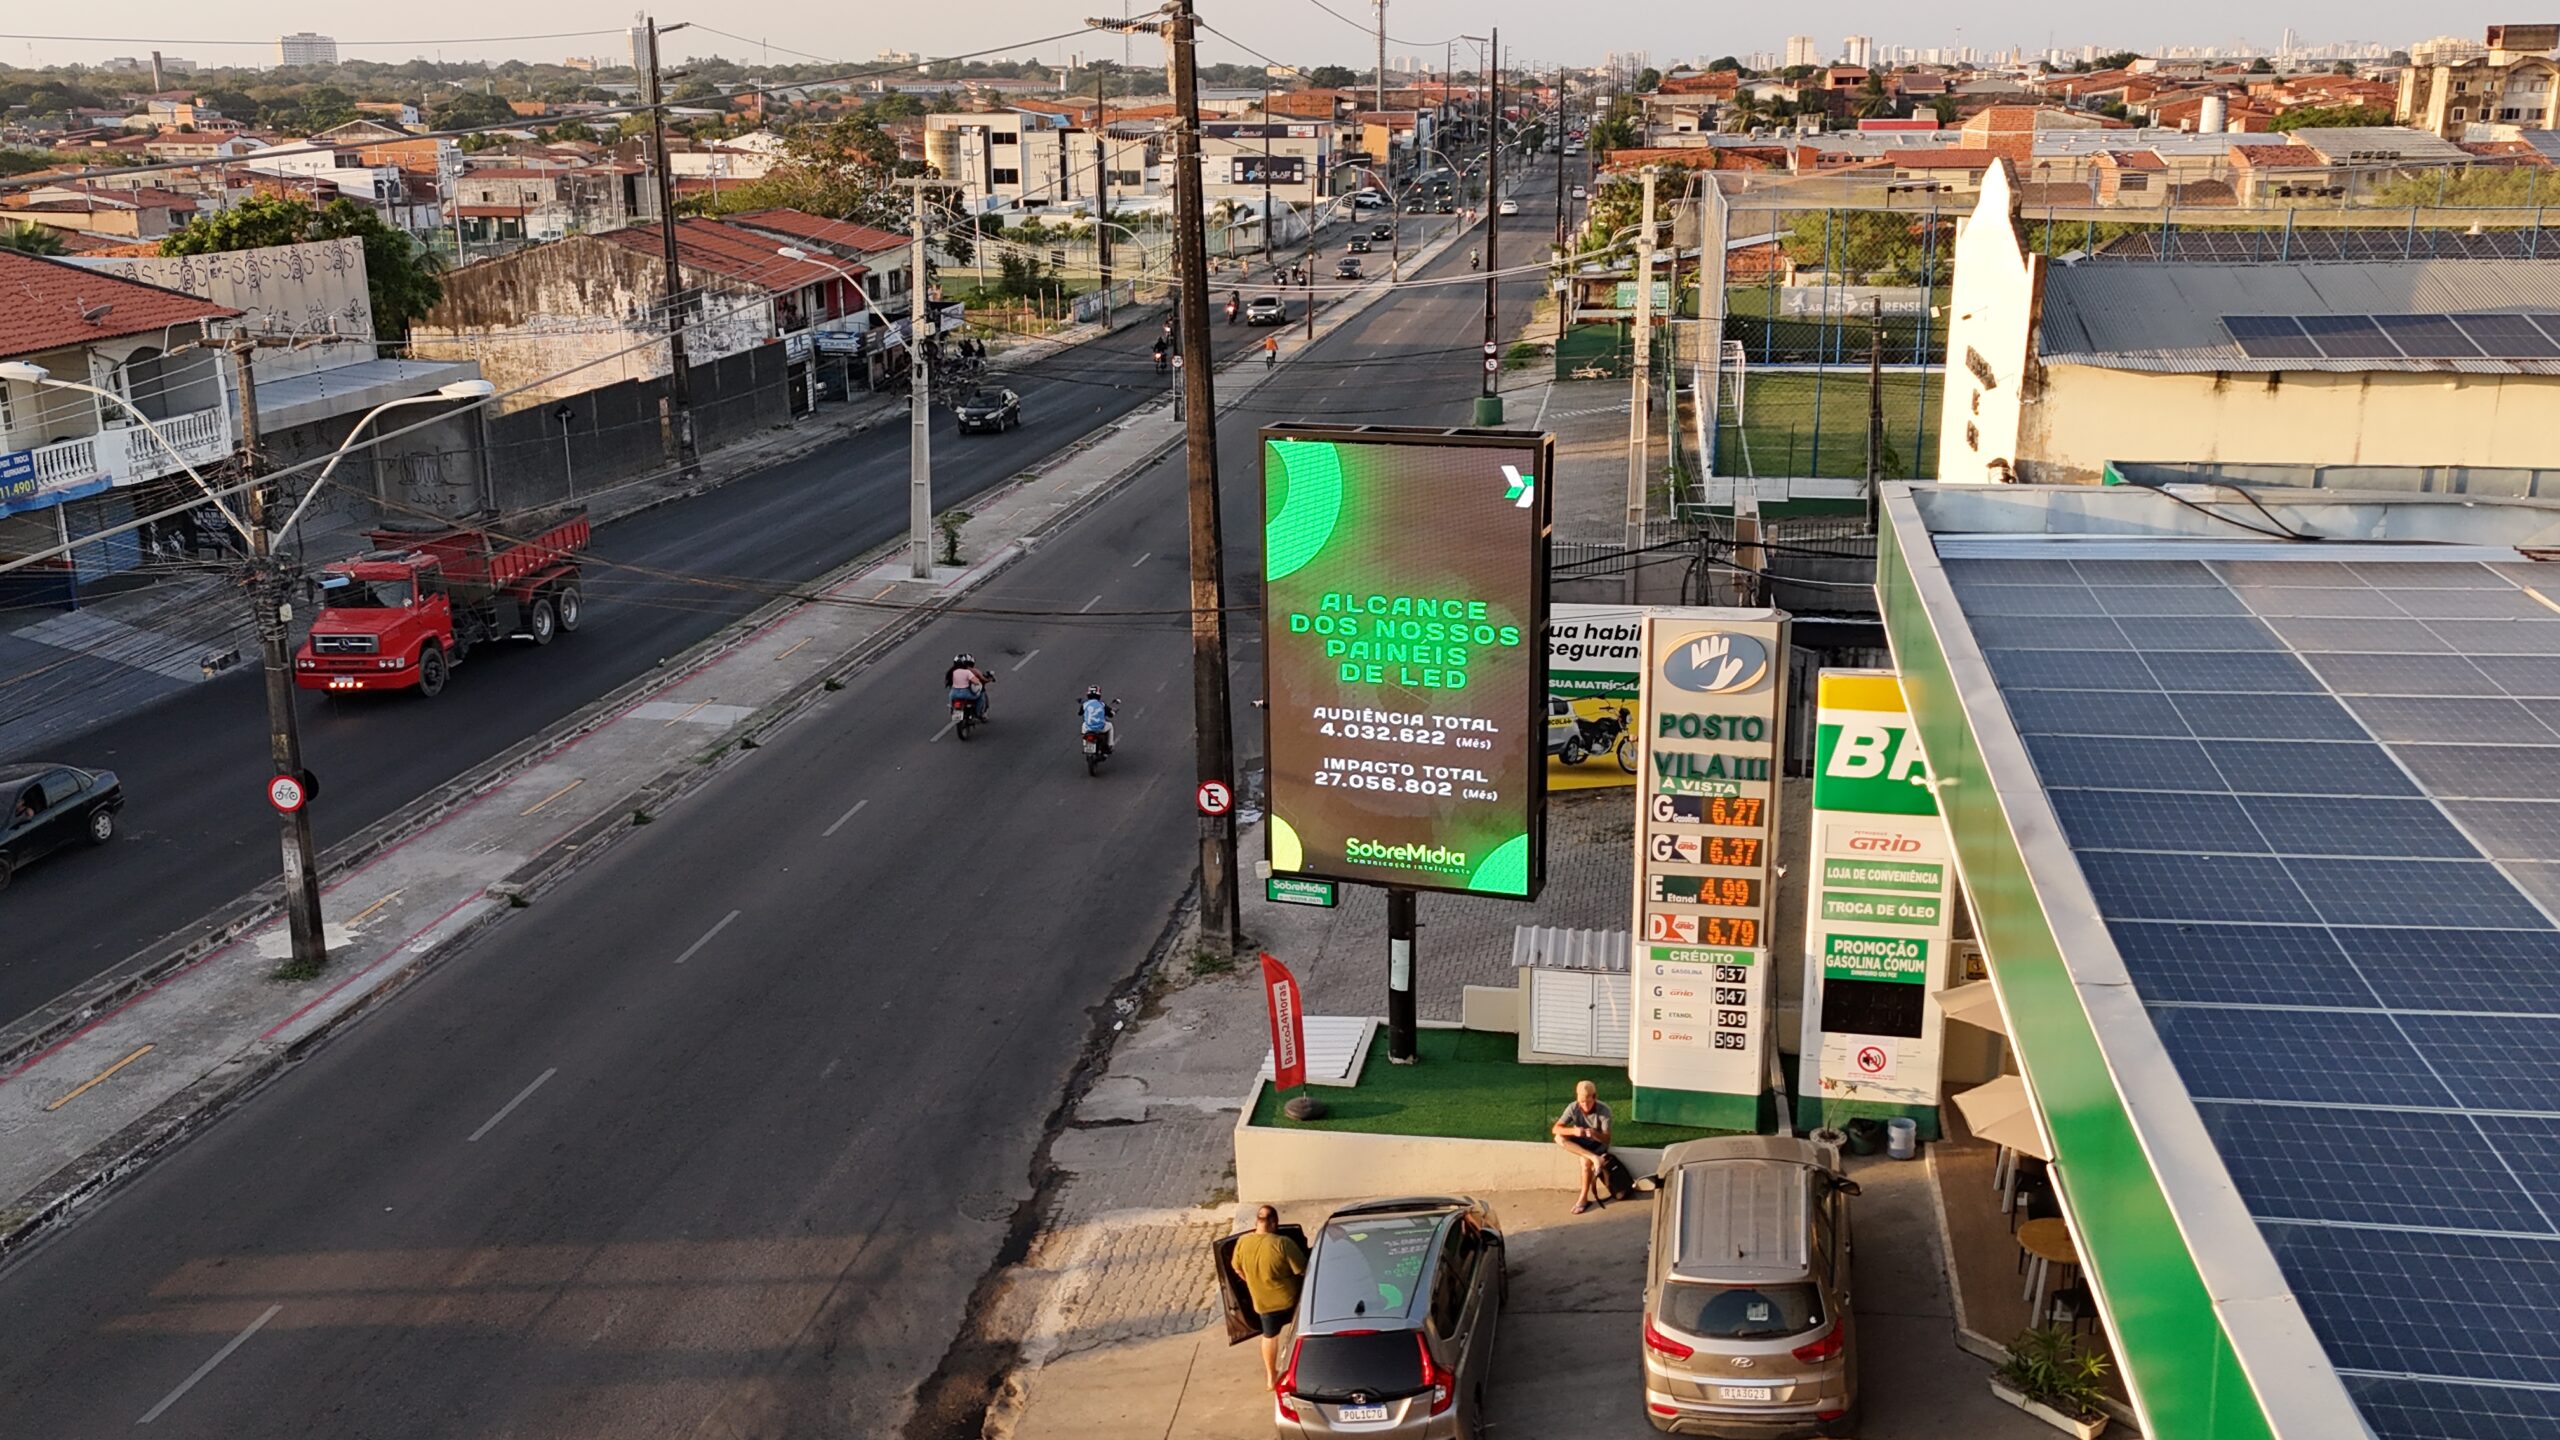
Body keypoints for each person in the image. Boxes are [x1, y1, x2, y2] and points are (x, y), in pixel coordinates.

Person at [1230, 1204, 1306, 1394]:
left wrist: (1252, 1282)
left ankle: (1271, 1377)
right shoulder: (1282, 1243)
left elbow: (1236, 1267)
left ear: (1257, 1222)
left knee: (1269, 1336)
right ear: (1274, 1222)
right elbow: (1303, 1269)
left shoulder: (1243, 1242)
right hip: (1291, 1300)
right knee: (1301, 1331)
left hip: (1262, 1303)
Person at [1551, 1079, 1614, 1215]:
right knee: (1558, 1137)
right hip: (1581, 1141)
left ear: (1594, 1097)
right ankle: (1594, 1158)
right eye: (1581, 1102)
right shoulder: (1573, 1107)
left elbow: (1607, 1139)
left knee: (1585, 1162)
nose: (1584, 1106)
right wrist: (1573, 1131)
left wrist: (1594, 1134)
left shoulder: (1604, 1111)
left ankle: (1583, 1198)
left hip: (1597, 1143)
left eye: (1588, 1102)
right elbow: (1555, 1129)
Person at [947, 653, 992, 721]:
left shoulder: (952, 672)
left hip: (954, 694)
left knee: (951, 700)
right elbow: (976, 681)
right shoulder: (968, 672)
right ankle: (978, 713)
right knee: (980, 696)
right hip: (965, 694)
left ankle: (952, 709)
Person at [1078, 686, 1114, 756]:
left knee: (1083, 725)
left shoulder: (1085, 704)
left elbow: (1080, 713)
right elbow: (1110, 714)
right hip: (1100, 728)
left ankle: (1085, 745)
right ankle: (1110, 745)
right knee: (1110, 726)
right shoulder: (1102, 704)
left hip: (1088, 728)